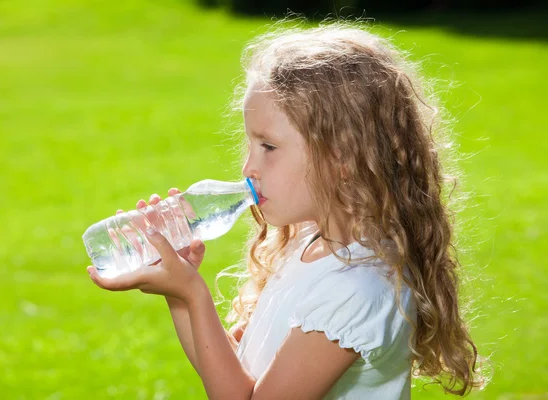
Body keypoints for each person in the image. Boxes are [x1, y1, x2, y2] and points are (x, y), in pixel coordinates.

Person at [86, 20, 491, 399]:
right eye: (250, 145)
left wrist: (193, 295)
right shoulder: (309, 241)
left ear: (343, 156)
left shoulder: (355, 288)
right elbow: (233, 375)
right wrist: (181, 292)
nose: (248, 168)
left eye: (269, 147)